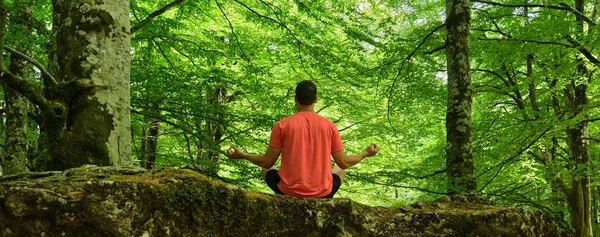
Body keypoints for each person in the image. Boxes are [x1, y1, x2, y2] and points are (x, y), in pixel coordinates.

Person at [226, 80, 379, 198]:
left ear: (295, 99)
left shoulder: (282, 125)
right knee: (340, 170)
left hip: (288, 192)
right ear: (316, 99)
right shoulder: (330, 126)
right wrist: (365, 153)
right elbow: (343, 162)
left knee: (266, 169)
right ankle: (324, 195)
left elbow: (267, 162)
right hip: (323, 193)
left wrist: (243, 156)